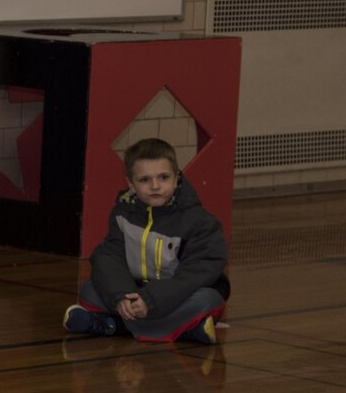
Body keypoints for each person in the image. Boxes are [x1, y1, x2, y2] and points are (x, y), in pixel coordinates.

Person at [65, 138, 228, 344]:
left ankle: (115, 326)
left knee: (207, 300)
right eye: (144, 180)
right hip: (136, 291)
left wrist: (152, 300)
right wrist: (122, 296)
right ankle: (184, 330)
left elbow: (195, 275)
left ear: (176, 178)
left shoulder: (201, 222)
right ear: (130, 184)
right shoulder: (121, 214)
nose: (155, 186)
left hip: (176, 295)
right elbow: (109, 257)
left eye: (163, 177)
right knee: (90, 289)